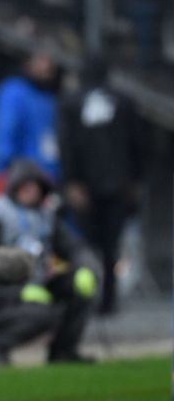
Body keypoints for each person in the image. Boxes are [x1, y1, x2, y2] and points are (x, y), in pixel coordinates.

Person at [0, 159, 99, 366]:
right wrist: (18, 290)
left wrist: (86, 269)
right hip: (1, 294)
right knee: (45, 315)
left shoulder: (46, 215)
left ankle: (63, 352)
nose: (30, 191)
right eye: (25, 186)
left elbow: (75, 248)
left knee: (80, 289)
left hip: (38, 285)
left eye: (35, 187)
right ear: (15, 186)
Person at [58, 57, 146, 315]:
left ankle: (87, 299)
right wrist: (135, 181)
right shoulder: (124, 101)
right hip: (119, 186)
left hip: (85, 188)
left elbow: (66, 145)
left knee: (87, 245)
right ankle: (108, 300)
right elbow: (138, 144)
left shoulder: (71, 102)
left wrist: (72, 181)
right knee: (111, 247)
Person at [0, 51, 61, 182]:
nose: (48, 66)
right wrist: (5, 170)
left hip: (50, 177)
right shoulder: (14, 92)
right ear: (27, 62)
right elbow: (6, 132)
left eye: (50, 60)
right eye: (41, 59)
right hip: (23, 179)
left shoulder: (49, 97)